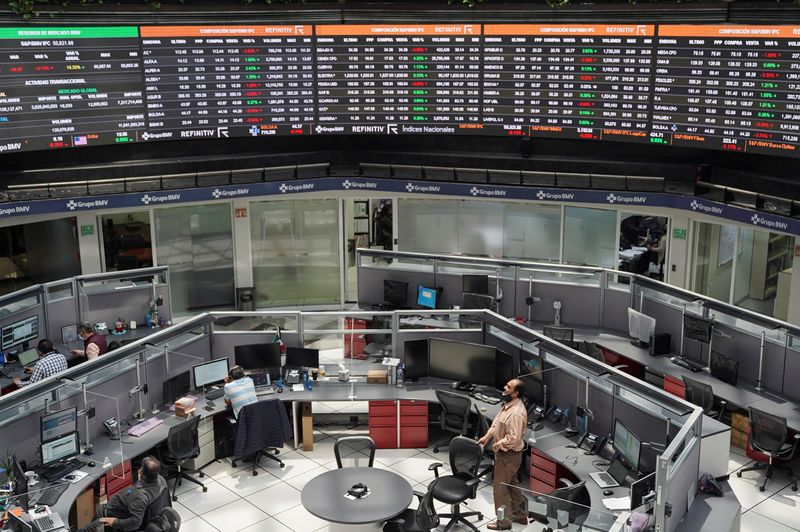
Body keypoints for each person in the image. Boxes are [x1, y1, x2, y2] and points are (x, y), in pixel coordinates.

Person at [477, 378, 529, 530]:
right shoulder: (507, 405)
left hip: (508, 455)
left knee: (500, 490)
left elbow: (513, 438)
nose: (504, 388)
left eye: (508, 387)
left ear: (515, 394)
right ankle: (520, 515)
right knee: (512, 485)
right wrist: (487, 437)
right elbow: (496, 423)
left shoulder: (516, 413)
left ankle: (503, 523)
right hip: (507, 455)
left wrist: (496, 445)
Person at [79, 455, 168, 532]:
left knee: (88, 527)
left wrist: (114, 522)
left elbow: (135, 523)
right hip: (125, 508)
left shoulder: (139, 497)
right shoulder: (161, 480)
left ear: (141, 473)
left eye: (141, 468)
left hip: (109, 515)